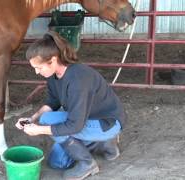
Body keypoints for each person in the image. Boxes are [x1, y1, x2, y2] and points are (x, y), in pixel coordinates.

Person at [15, 31, 126, 180]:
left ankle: (87, 163)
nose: (36, 72)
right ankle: (103, 143)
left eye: (39, 68)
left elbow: (75, 126)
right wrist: (32, 118)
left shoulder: (77, 80)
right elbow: (53, 101)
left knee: (48, 120)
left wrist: (39, 130)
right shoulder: (54, 75)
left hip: (106, 122)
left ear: (53, 60)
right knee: (57, 163)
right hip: (85, 118)